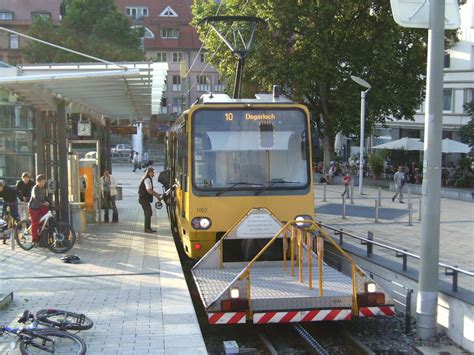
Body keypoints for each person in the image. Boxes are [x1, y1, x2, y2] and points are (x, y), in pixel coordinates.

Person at [138, 167, 162, 233]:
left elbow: (150, 190)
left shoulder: (147, 178)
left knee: (148, 213)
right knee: (148, 213)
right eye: (153, 172)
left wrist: (157, 194)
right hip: (143, 199)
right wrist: (157, 196)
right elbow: (149, 190)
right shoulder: (147, 179)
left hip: (144, 199)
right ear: (149, 172)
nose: (154, 173)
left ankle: (148, 228)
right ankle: (147, 228)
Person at [28, 174, 50, 243]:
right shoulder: (35, 188)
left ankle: (42, 234)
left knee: (44, 220)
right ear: (39, 182)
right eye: (43, 181)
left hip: (41, 206)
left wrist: (48, 202)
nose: (44, 183)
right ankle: (34, 239)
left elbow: (45, 196)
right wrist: (44, 202)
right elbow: (36, 197)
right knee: (35, 223)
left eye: (44, 181)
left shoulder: (44, 187)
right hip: (34, 207)